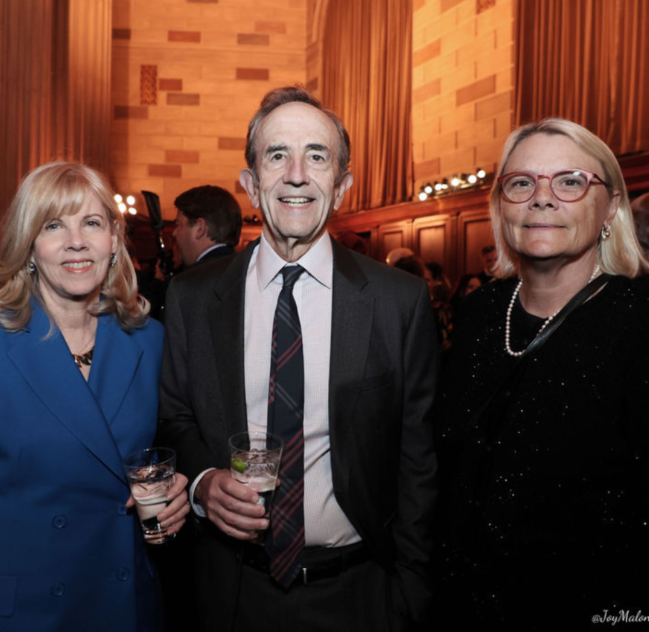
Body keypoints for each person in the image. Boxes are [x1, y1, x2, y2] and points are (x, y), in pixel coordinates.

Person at [158, 87, 439, 631]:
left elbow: (418, 458)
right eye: (277, 155)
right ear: (250, 185)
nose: (296, 174)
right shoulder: (194, 297)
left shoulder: (397, 301)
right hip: (229, 590)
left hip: (357, 593)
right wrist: (203, 484)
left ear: (341, 187)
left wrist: (409, 595)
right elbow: (175, 416)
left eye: (317, 156)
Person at [435, 119, 649, 626]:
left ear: (610, 207)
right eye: (522, 182)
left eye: (570, 182)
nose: (542, 198)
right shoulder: (482, 313)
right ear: (502, 205)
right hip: (464, 601)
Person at [0, 162, 189, 632]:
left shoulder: (148, 340)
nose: (76, 241)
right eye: (53, 225)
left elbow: (163, 446)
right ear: (28, 245)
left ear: (114, 240)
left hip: (122, 604)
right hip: (17, 613)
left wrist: (179, 490)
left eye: (92, 223)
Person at [172, 185, 242, 268]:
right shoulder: (245, 270)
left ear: (200, 228)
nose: (174, 233)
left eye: (179, 225)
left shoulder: (191, 279)